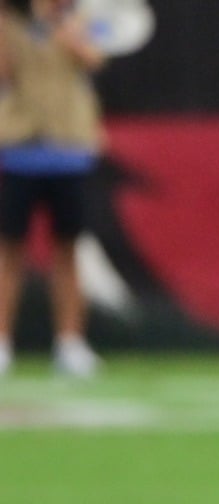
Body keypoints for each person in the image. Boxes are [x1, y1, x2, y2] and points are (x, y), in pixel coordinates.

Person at [0, 0, 106, 378]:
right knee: (10, 250)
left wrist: (63, 30)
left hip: (69, 149)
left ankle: (70, 343)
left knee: (68, 249)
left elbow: (94, 59)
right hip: (20, 147)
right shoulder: (9, 20)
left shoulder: (76, 17)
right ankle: (2, 344)